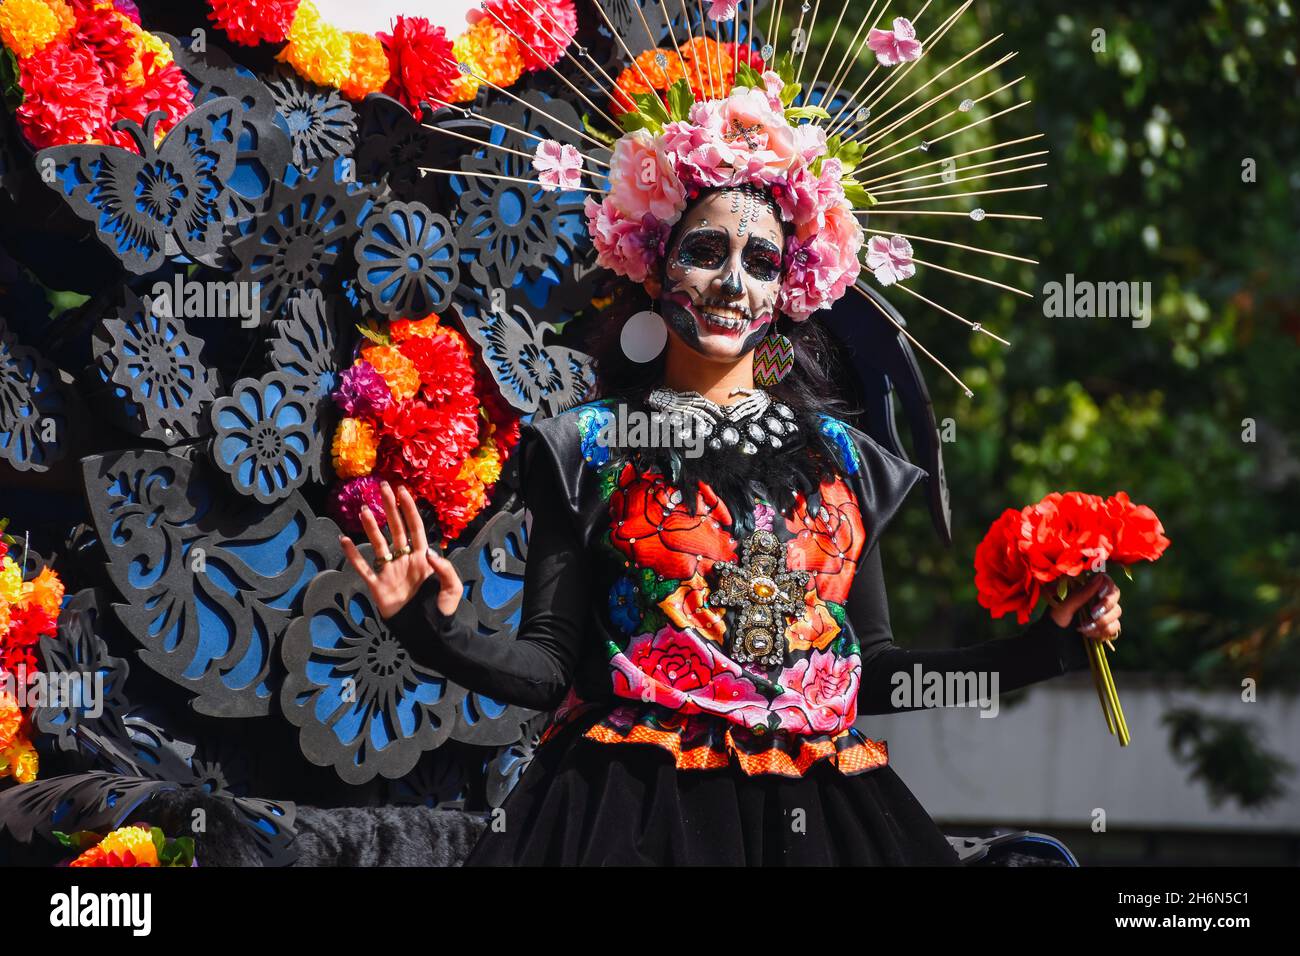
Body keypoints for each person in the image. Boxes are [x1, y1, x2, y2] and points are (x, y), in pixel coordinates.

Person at [338, 72, 1124, 865]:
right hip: (634, 812)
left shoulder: (846, 460)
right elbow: (548, 667)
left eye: (761, 262)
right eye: (706, 252)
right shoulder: (588, 448)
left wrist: (1046, 649)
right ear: (655, 266)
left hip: (822, 812)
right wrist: (427, 625)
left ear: (788, 289)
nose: (731, 283)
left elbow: (875, 673)